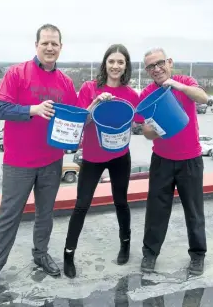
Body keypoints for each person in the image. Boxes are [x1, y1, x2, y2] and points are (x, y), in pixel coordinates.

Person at [0, 24, 78, 297]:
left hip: (52, 160)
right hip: (18, 162)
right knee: (9, 216)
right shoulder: (17, 73)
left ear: (61, 47)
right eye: (45, 43)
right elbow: (0, 109)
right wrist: (32, 110)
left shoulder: (65, 83)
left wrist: (96, 106)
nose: (50, 48)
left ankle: (41, 254)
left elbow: (74, 115)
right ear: (36, 45)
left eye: (54, 44)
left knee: (45, 214)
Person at [63, 44, 142, 279]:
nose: (116, 66)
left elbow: (140, 119)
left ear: (126, 66)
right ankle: (68, 254)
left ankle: (125, 244)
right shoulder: (90, 88)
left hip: (120, 156)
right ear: (104, 63)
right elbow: (81, 120)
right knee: (81, 205)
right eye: (112, 61)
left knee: (121, 202)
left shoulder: (130, 94)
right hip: (93, 157)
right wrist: (95, 103)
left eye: (120, 62)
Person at [138, 48, 209, 276]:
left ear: (169, 62)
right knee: (156, 211)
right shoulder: (147, 94)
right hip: (162, 161)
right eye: (150, 66)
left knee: (194, 211)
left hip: (191, 159)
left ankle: (198, 255)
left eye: (159, 63)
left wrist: (176, 86)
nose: (156, 69)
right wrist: (159, 129)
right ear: (147, 71)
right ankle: (150, 253)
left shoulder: (184, 81)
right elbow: (146, 131)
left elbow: (203, 98)